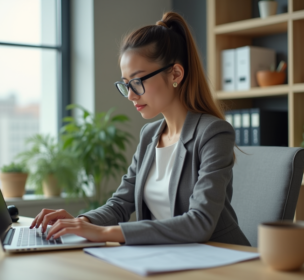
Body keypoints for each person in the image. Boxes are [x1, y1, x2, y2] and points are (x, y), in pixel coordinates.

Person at [30, 12, 250, 246]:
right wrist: (80, 222)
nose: (131, 95)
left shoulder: (214, 133)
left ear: (175, 73)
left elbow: (199, 222)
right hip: (169, 257)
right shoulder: (150, 136)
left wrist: (104, 233)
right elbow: (120, 204)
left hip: (221, 259)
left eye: (138, 81)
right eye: (126, 85)